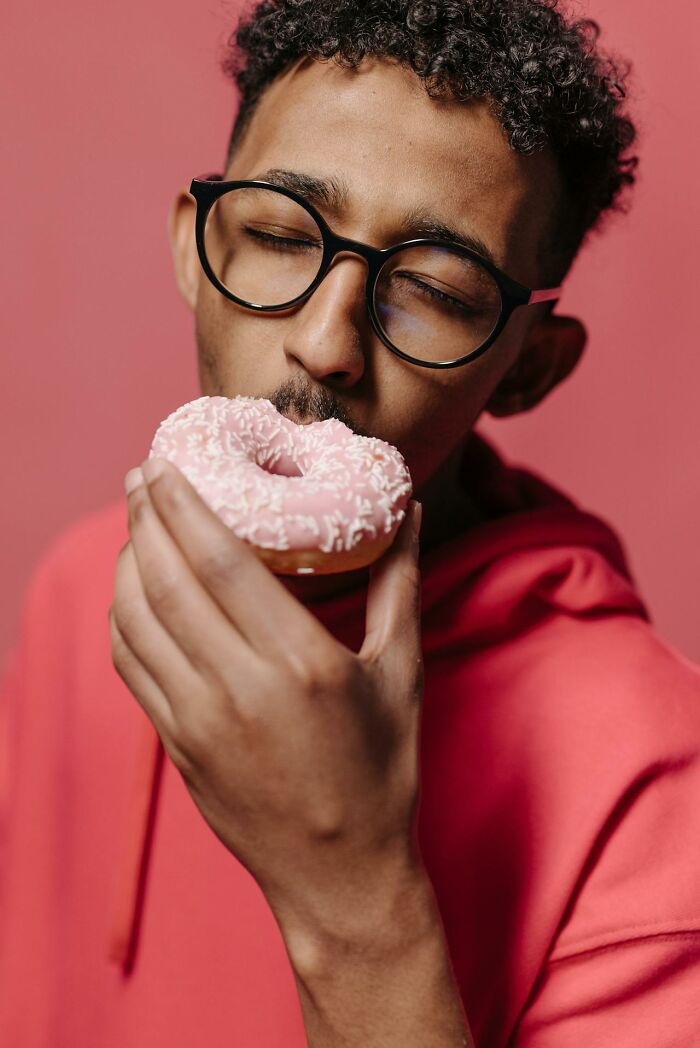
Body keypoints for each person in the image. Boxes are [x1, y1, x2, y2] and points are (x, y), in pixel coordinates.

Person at [2, 1, 699, 1044]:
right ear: (196, 250)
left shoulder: (655, 782)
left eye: (430, 290)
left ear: (529, 370)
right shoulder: (85, 587)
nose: (327, 343)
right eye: (280, 236)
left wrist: (355, 895)